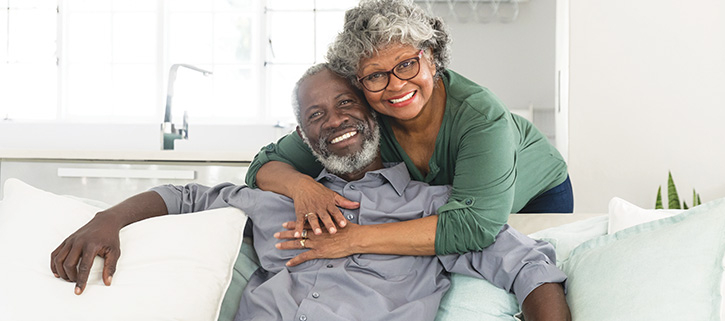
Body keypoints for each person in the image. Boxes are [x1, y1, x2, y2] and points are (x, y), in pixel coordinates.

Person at [50, 65, 571, 321]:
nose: (334, 121)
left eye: (346, 104)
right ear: (303, 136)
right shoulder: (270, 202)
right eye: (315, 115)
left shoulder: (431, 207)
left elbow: (528, 265)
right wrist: (106, 220)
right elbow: (183, 196)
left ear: (373, 115)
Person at [246, 0, 572, 260]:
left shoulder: (481, 116)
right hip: (457, 216)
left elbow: (475, 226)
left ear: (431, 57)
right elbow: (264, 166)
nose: (396, 85)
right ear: (359, 84)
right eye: (376, 75)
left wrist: (353, 240)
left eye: (406, 64)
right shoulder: (363, 117)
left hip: (538, 197)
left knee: (523, 266)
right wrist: (303, 187)